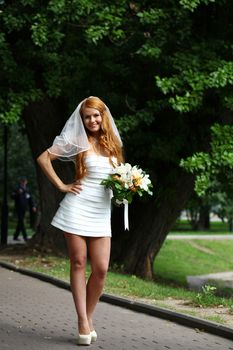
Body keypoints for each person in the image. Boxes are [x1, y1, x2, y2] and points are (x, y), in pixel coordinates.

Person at [37, 96, 124, 346]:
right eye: (87, 116)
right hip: (77, 207)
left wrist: (123, 191)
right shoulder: (77, 140)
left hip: (101, 212)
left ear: (103, 116)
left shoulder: (113, 144)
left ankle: (88, 316)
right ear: (82, 119)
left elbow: (117, 179)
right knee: (78, 261)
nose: (92, 120)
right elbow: (43, 158)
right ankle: (83, 322)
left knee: (101, 269)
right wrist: (62, 185)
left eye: (96, 115)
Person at [12, 177, 37, 242]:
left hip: (24, 208)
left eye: (24, 181)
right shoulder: (17, 188)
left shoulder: (27, 190)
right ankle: (25, 237)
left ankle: (15, 236)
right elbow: (12, 196)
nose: (23, 183)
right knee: (21, 222)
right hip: (18, 208)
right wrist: (18, 193)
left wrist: (33, 206)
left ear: (26, 182)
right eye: (22, 181)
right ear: (20, 182)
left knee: (20, 222)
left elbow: (30, 199)